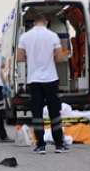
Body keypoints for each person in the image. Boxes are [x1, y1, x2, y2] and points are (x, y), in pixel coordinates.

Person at [16, 11, 70, 154]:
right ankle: (59, 144)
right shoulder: (53, 36)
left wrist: (32, 57)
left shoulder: (25, 37)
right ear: (46, 22)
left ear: (34, 22)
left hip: (34, 79)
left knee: (37, 113)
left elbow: (19, 57)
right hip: (51, 79)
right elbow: (59, 59)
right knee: (54, 112)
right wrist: (54, 55)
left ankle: (40, 145)